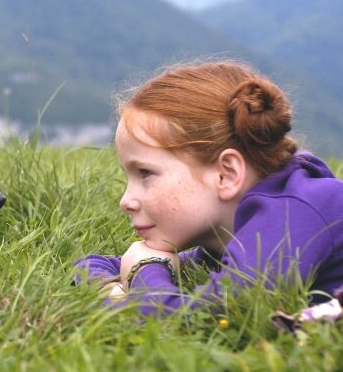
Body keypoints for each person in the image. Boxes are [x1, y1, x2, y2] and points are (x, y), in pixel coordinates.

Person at [75, 60, 343, 315]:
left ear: (227, 174)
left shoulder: (290, 217)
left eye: (145, 173)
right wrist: (118, 289)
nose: (126, 201)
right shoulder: (226, 234)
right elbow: (91, 265)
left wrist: (144, 270)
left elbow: (198, 320)